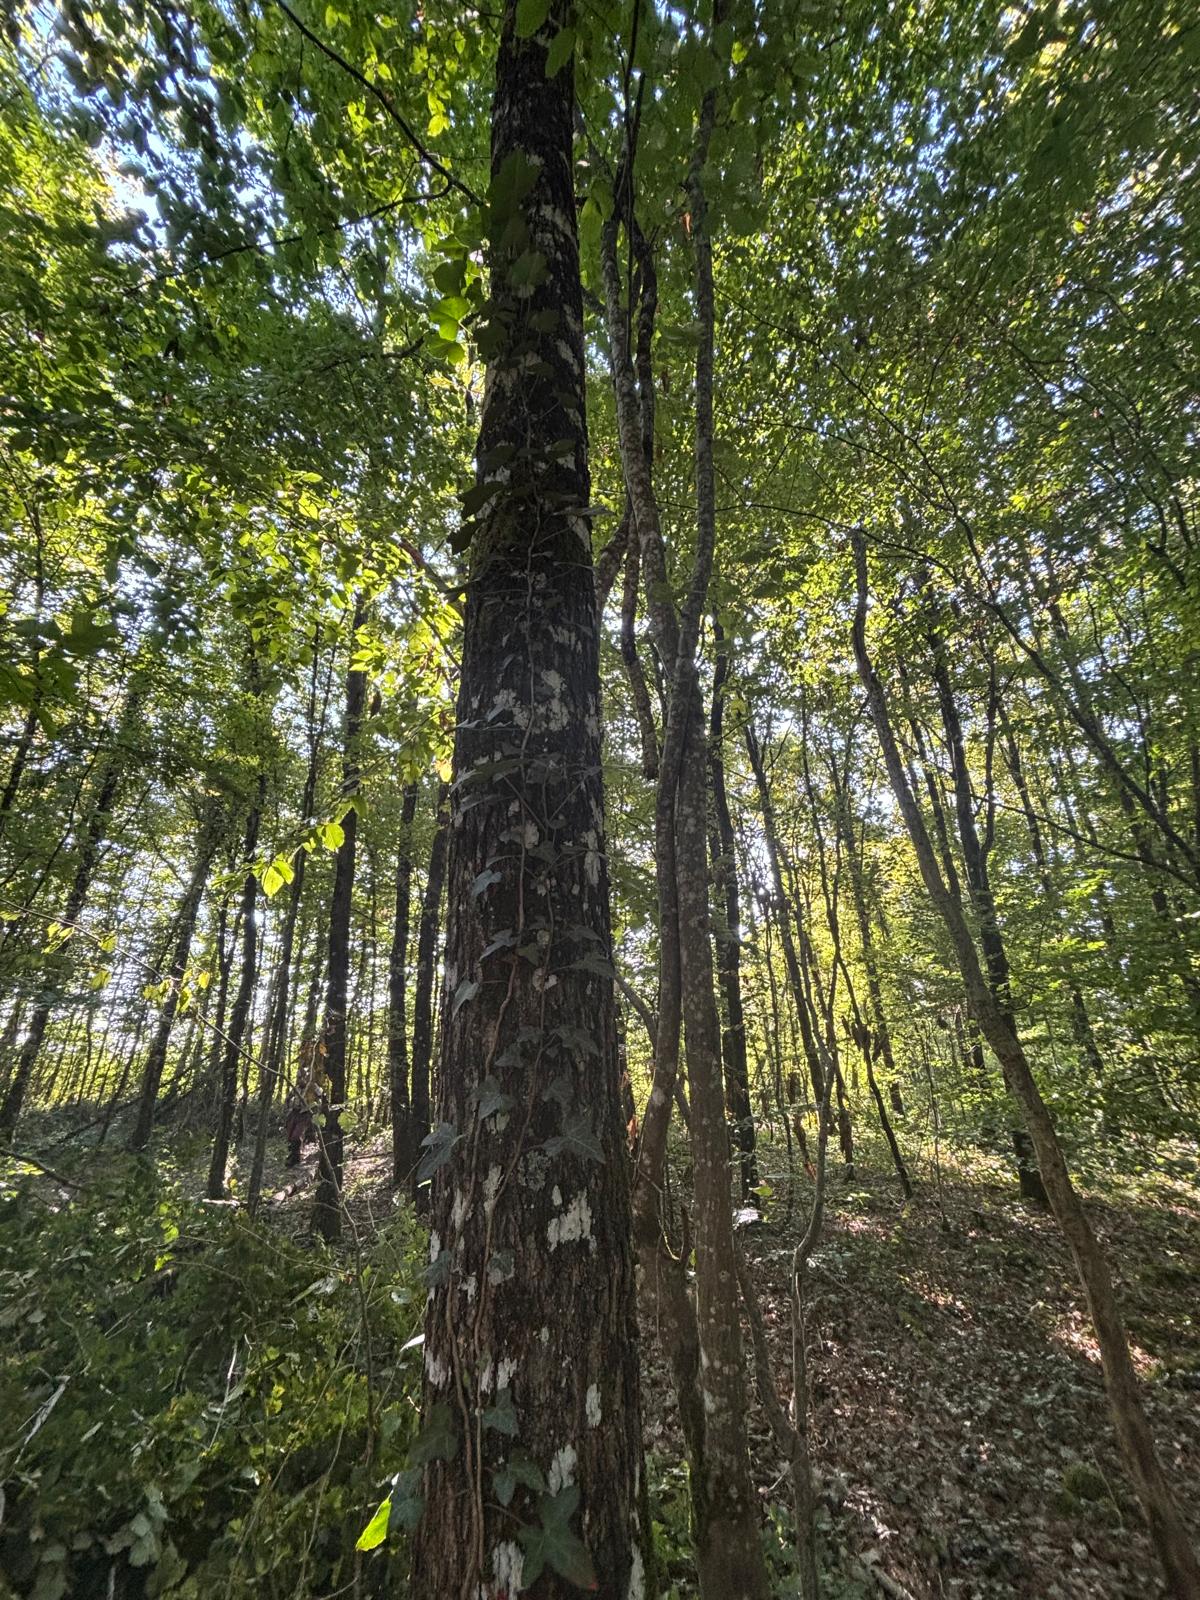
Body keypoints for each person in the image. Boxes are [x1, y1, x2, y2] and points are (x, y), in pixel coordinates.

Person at [284, 1037, 328, 1168]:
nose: (301, 1079)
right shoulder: (297, 1088)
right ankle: (293, 1156)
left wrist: (318, 1107)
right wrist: (287, 1104)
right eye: (299, 1077)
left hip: (305, 1113)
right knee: (290, 1135)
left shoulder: (312, 1086)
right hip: (295, 1112)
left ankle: (296, 1159)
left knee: (297, 1136)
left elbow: (321, 1094)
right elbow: (289, 1097)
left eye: (302, 1077)